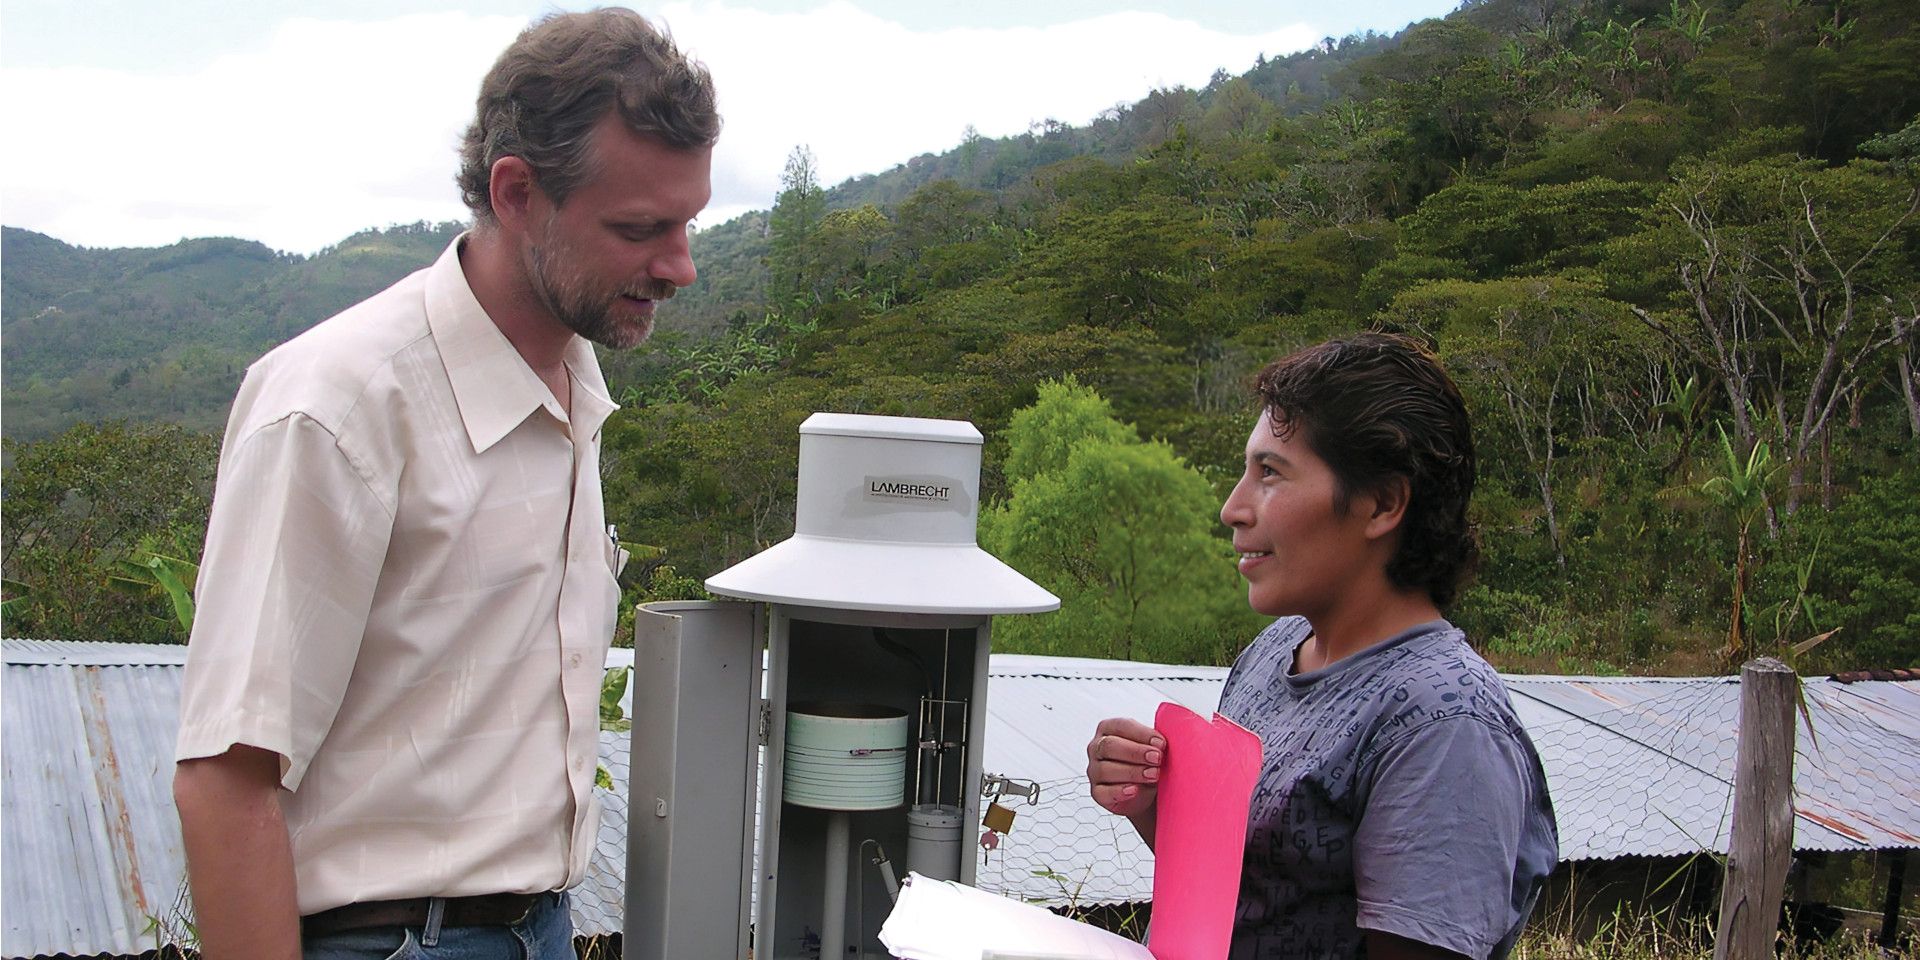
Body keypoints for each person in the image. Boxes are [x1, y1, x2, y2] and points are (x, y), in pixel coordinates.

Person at [170, 10, 718, 960]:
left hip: (540, 926)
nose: (681, 265)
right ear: (516, 193)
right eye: (641, 228)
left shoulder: (572, 386)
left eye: (688, 222)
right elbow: (225, 783)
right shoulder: (338, 407)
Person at [1085, 334, 1558, 960]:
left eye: (1271, 474)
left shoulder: (1444, 726)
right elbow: (1253, 891)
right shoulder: (1274, 650)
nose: (1233, 508)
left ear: (1382, 504)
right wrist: (1151, 805)